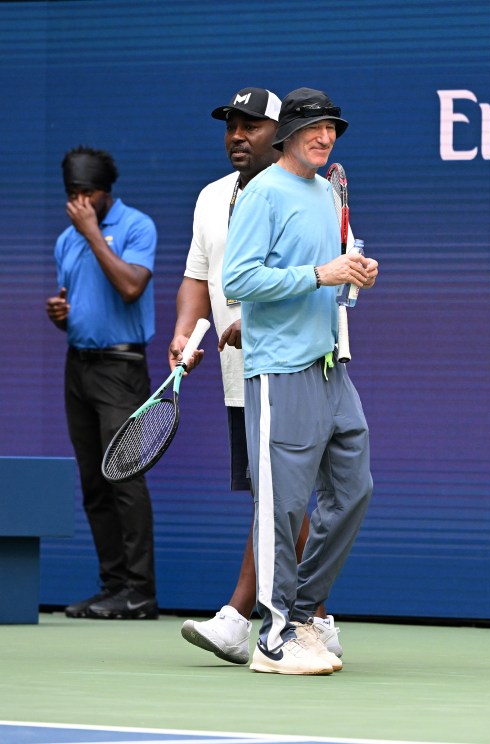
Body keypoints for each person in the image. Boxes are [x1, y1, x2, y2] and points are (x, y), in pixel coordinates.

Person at [169, 88, 342, 666]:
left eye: (251, 125)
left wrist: (257, 317)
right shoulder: (211, 198)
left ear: (282, 132)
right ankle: (299, 617)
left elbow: (325, 272)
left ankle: (256, 617)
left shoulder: (313, 191)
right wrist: (184, 331)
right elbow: (200, 277)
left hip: (294, 360)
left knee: (281, 497)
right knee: (274, 496)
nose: (237, 135)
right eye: (230, 126)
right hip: (237, 369)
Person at [222, 87, 378, 676]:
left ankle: (301, 610)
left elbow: (330, 272)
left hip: (331, 366)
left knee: (354, 487)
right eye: (314, 129)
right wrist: (319, 273)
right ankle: (273, 637)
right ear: (286, 133)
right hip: (280, 370)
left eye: (332, 128)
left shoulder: (324, 191)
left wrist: (353, 271)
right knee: (283, 507)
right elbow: (239, 280)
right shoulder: (262, 193)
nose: (325, 137)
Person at [45, 147, 159, 620]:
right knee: (94, 482)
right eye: (72, 195)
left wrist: (93, 234)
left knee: (125, 480)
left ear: (105, 192)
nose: (79, 204)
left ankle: (140, 592)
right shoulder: (64, 241)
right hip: (80, 367)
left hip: (121, 369)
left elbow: (132, 286)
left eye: (87, 194)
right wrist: (61, 316)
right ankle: (113, 587)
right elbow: (79, 302)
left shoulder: (137, 226)